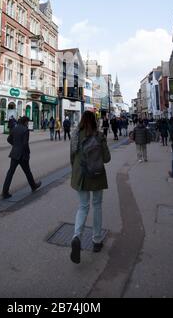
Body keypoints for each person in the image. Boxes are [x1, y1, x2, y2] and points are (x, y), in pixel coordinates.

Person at [70, 111, 111, 264]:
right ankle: (97, 240)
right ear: (94, 121)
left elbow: (72, 157)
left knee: (82, 207)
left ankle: (77, 236)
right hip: (97, 174)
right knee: (97, 206)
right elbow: (107, 159)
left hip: (80, 175)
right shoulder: (99, 136)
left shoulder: (75, 135)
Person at [2, 116, 41, 199]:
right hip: (22, 155)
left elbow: (9, 139)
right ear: (25, 122)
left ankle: (5, 191)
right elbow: (25, 144)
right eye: (27, 122)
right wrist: (28, 153)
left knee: (10, 173)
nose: (28, 123)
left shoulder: (15, 128)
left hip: (14, 153)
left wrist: (15, 145)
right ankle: (33, 186)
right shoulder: (25, 130)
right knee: (27, 172)